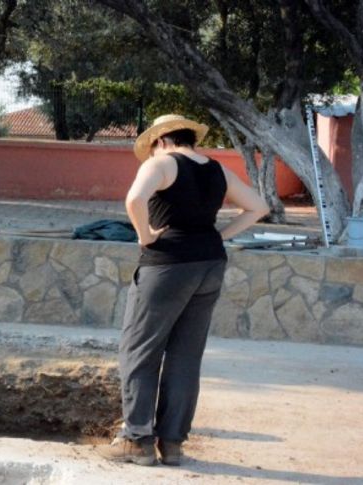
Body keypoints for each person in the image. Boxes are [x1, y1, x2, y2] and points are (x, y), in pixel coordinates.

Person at [104, 114, 269, 466]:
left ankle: (136, 439)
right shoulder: (217, 169)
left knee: (139, 351)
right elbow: (258, 207)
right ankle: (173, 443)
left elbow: (134, 200)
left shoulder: (161, 164)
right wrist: (218, 236)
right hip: (209, 265)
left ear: (161, 141)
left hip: (166, 266)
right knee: (185, 356)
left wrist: (146, 236)